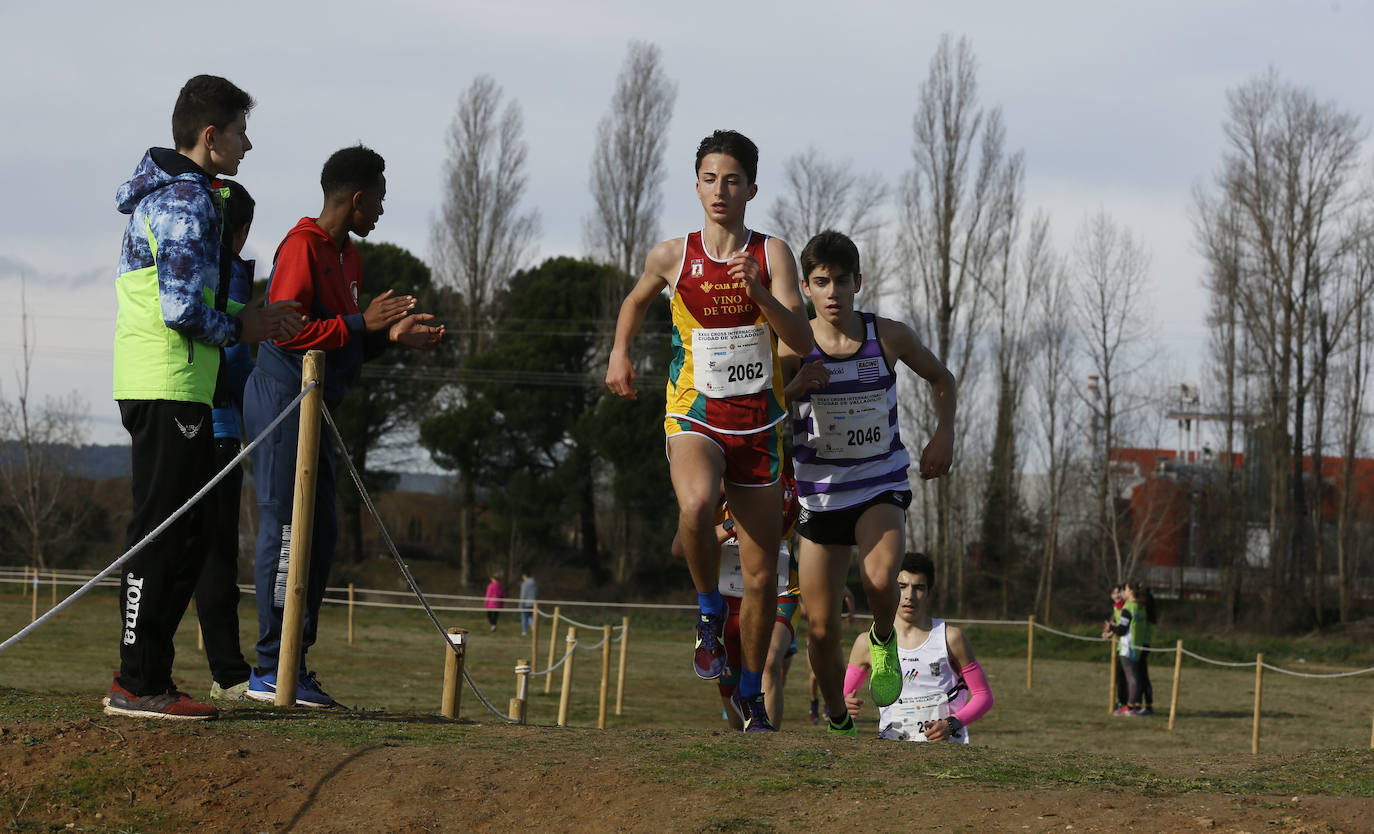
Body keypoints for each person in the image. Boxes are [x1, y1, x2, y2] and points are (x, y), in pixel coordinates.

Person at [105, 75, 304, 720]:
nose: (250, 144)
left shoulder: (189, 198)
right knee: (161, 534)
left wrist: (254, 317)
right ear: (210, 135)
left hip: (176, 385)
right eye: (242, 132)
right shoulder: (185, 204)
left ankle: (150, 680)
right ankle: (138, 683)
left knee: (185, 536)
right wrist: (247, 326)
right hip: (166, 385)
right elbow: (183, 310)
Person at [605, 130, 813, 732]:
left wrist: (758, 294)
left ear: (751, 188)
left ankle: (750, 691)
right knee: (695, 504)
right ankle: (703, 613)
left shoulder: (773, 255)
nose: (720, 190)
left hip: (760, 423)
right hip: (694, 412)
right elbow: (635, 301)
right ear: (696, 185)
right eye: (709, 178)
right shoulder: (672, 255)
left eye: (731, 180)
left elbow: (800, 340)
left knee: (759, 576)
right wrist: (620, 353)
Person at [244, 145, 444, 706]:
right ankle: (268, 666)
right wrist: (362, 321)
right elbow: (283, 332)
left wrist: (388, 337)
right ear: (357, 199)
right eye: (378, 199)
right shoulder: (302, 247)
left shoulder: (349, 257)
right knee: (285, 530)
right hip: (284, 399)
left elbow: (339, 336)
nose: (382, 210)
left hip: (318, 405)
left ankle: (295, 664)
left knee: (322, 532)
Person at [782, 230, 956, 736]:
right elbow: (761, 411)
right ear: (805, 288)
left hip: (880, 483)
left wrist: (943, 434)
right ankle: (838, 718)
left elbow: (941, 378)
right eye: (820, 282)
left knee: (881, 581)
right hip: (819, 495)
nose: (832, 292)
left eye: (841, 280)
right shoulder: (794, 344)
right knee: (818, 629)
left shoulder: (889, 336)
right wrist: (793, 388)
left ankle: (882, 639)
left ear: (858, 282)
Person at [195, 178, 258, 703]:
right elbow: (234, 356)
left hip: (186, 416)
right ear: (237, 231)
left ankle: (148, 664)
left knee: (180, 547)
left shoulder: (187, 263)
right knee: (216, 553)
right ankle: (230, 672)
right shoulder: (229, 270)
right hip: (218, 429)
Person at [842, 552, 992, 742]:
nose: (909, 596)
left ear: (929, 592)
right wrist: (844, 706)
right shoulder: (867, 642)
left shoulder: (951, 638)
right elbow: (842, 700)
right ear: (890, 588)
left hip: (947, 756)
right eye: (902, 586)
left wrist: (951, 724)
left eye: (918, 588)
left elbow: (983, 695)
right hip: (892, 756)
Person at [1105, 581, 1154, 716]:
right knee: (1135, 677)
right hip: (1137, 647)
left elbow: (1121, 630)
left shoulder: (1128, 608)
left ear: (1131, 592)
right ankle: (1134, 705)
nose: (1122, 593)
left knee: (1131, 678)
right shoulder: (1141, 607)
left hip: (1127, 647)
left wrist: (1111, 628)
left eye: (1125, 590)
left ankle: (1130, 707)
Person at [807, 586, 854, 724]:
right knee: (815, 675)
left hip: (833, 637)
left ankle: (830, 706)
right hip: (814, 637)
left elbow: (849, 595)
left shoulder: (836, 583)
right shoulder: (811, 581)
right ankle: (813, 705)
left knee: (837, 673)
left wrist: (851, 613)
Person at [518, 568, 537, 637]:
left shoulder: (525, 584)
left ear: (524, 576)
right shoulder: (534, 583)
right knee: (530, 617)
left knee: (524, 617)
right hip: (533, 603)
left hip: (525, 603)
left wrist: (520, 604)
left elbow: (523, 594)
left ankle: (524, 632)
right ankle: (533, 628)